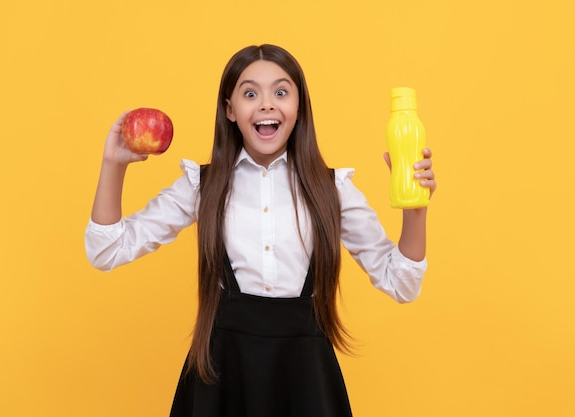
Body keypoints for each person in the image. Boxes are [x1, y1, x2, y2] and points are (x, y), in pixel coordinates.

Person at [85, 44, 436, 417]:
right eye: (250, 93)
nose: (266, 104)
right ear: (230, 110)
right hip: (221, 377)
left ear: (299, 108)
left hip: (304, 381)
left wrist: (416, 209)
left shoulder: (332, 190)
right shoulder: (203, 186)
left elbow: (401, 283)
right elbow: (107, 250)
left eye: (281, 92)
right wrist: (114, 164)